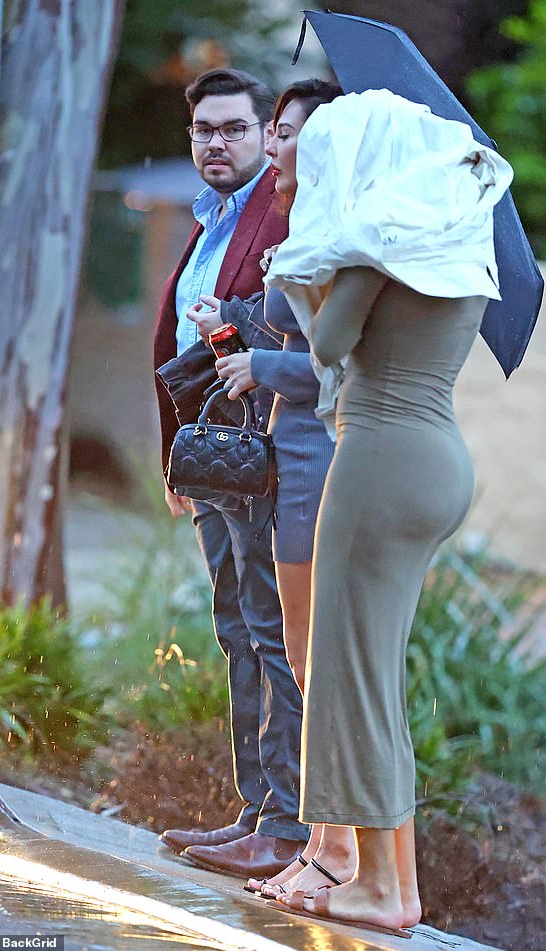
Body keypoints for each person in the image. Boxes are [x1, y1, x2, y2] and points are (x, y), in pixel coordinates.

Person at [264, 89, 513, 934]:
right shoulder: (457, 232)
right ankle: (392, 886)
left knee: (348, 674)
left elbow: (330, 344)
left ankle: (376, 886)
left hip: (378, 458)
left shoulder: (381, 238)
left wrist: (322, 259)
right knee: (376, 679)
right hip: (439, 460)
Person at [191, 79, 358, 897]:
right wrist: (230, 324)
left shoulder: (325, 235)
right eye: (282, 131)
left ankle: (296, 830)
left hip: (301, 458)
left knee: (295, 651)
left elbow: (333, 364)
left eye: (285, 134)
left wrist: (254, 347)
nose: (278, 149)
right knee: (259, 635)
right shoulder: (260, 222)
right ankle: (267, 813)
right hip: (261, 451)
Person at [153, 67, 308, 880]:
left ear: (263, 135)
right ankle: (254, 811)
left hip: (259, 458)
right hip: (211, 459)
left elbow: (294, 329)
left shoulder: (282, 214)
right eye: (204, 130)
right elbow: (179, 345)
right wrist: (174, 456)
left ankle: (283, 823)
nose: (218, 142)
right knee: (235, 634)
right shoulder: (210, 218)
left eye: (236, 129)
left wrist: (232, 322)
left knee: (268, 635)